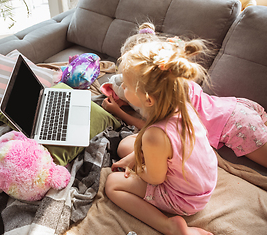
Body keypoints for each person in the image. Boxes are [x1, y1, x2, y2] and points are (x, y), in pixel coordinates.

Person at [102, 23, 267, 169]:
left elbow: (149, 126)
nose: (124, 84)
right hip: (235, 107)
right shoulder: (175, 79)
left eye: (128, 81)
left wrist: (119, 112)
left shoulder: (166, 104)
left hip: (237, 125)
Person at [104, 36, 218, 235]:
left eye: (127, 86)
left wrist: (137, 166)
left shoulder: (155, 136)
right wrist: (134, 156)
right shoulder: (180, 104)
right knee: (124, 146)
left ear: (147, 99)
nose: (123, 89)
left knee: (113, 183)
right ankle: (137, 157)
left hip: (185, 198)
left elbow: (155, 178)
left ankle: (170, 226)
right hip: (201, 180)